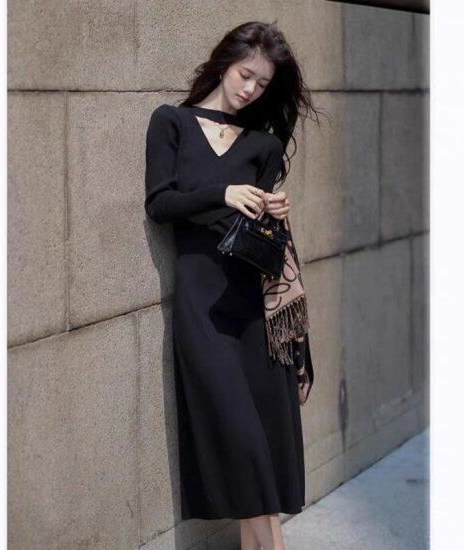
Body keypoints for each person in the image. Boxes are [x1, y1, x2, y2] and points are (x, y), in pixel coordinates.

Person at [144, 20, 322, 550]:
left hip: (254, 311)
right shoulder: (171, 122)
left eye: (262, 84)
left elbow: (262, 238)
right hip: (203, 307)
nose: (250, 89)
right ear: (225, 62)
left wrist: (275, 212)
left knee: (261, 440)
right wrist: (222, 193)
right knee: (242, 438)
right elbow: (160, 204)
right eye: (246, 75)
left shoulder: (264, 145)